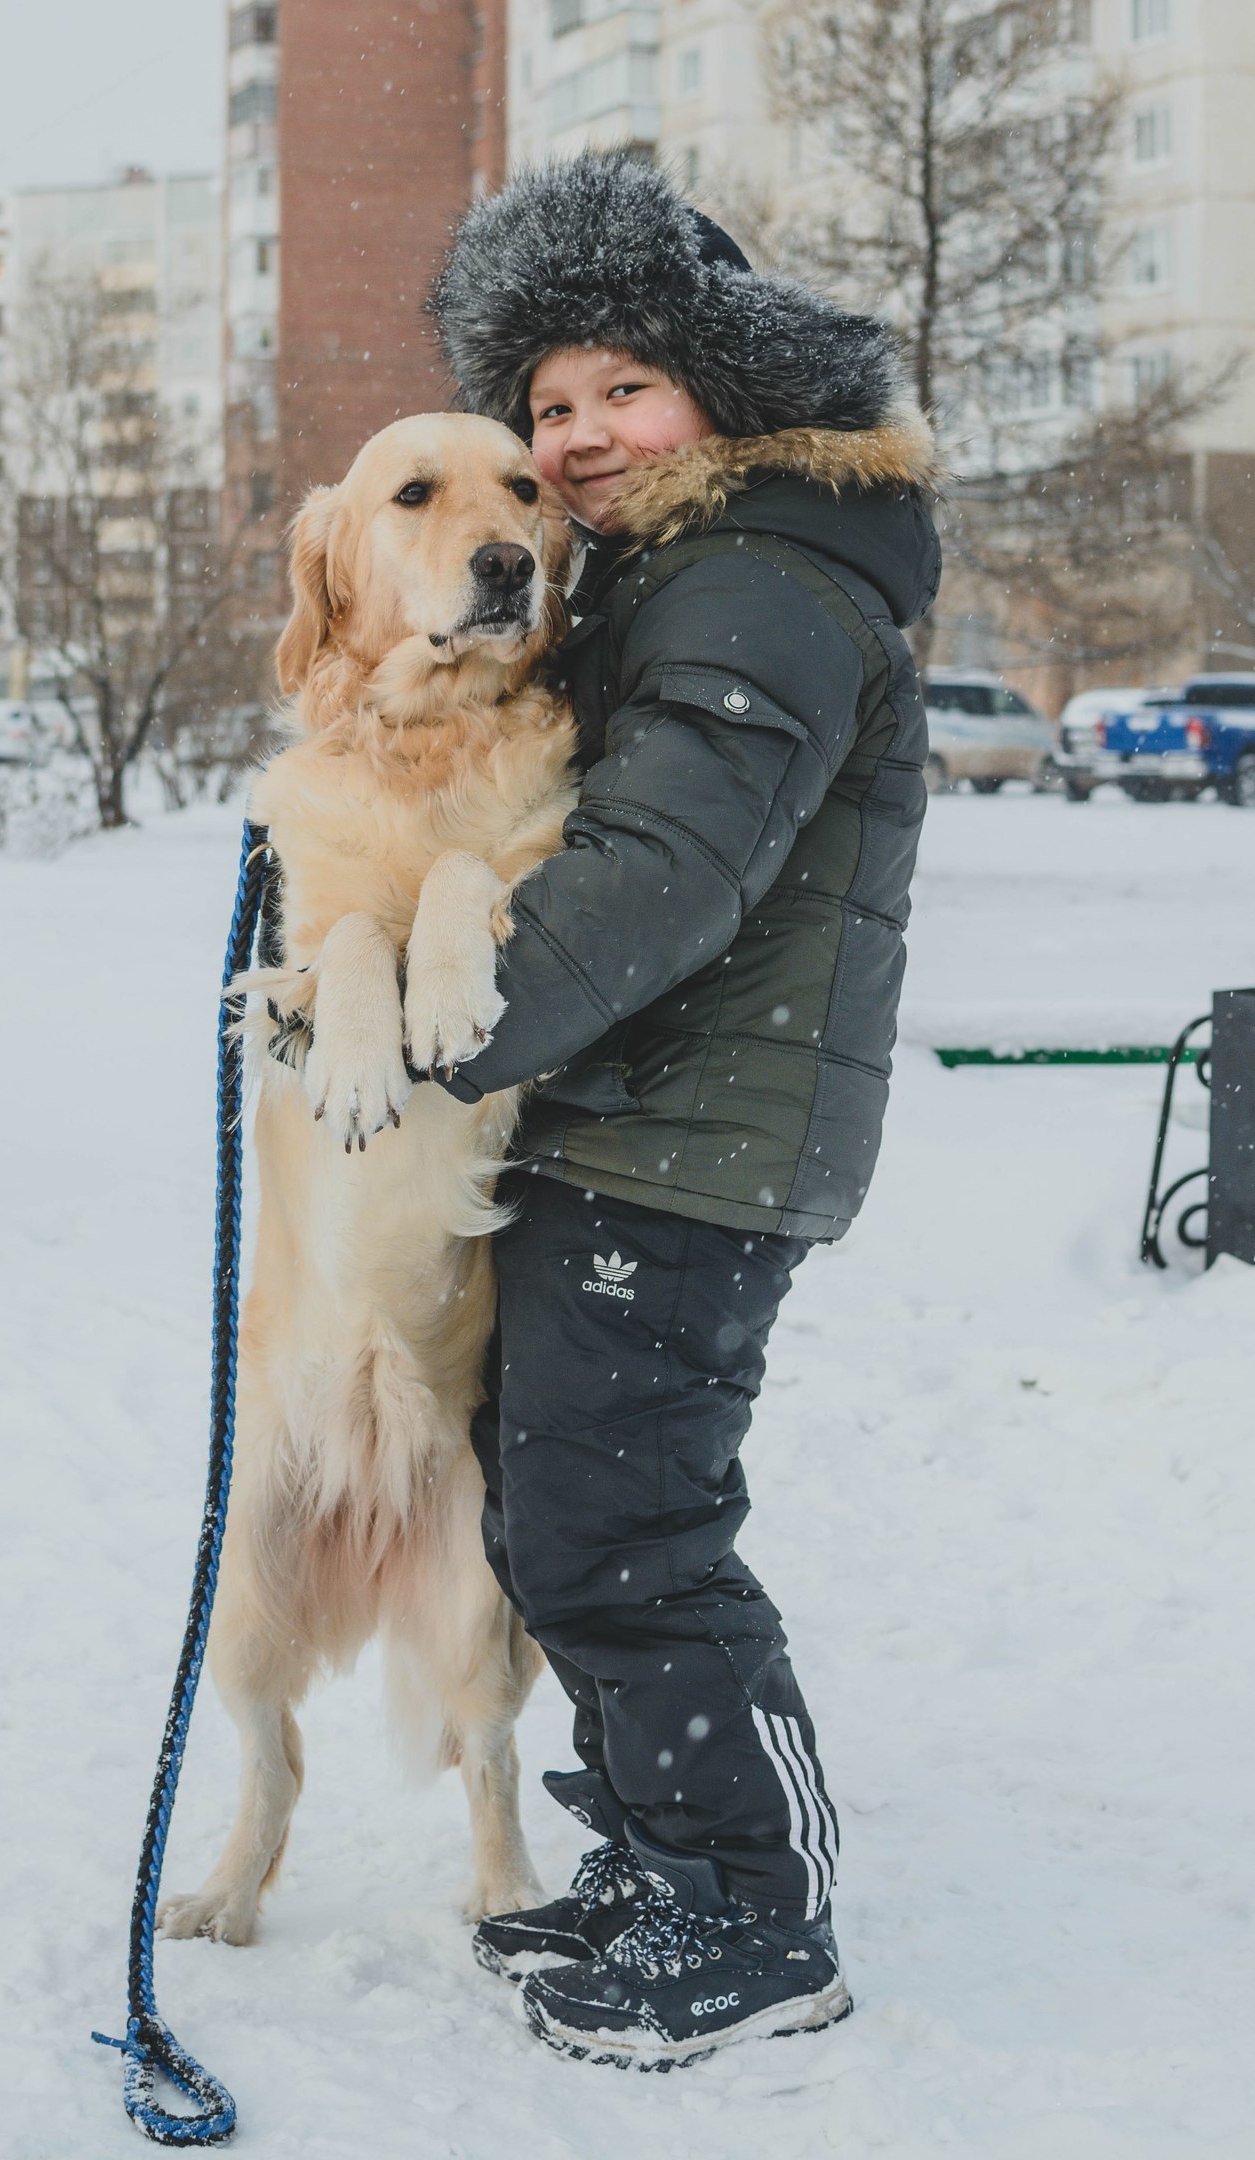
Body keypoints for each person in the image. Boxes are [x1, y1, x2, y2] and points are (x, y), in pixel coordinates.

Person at [424, 150, 940, 2069]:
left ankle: (758, 1908)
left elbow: (659, 876)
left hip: (704, 1141)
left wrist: (419, 1032)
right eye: (546, 405)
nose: (574, 437)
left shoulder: (762, 577)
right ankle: (658, 1852)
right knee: (565, 1510)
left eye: (622, 389)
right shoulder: (680, 573)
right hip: (640, 1117)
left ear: (722, 385)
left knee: (627, 1525)